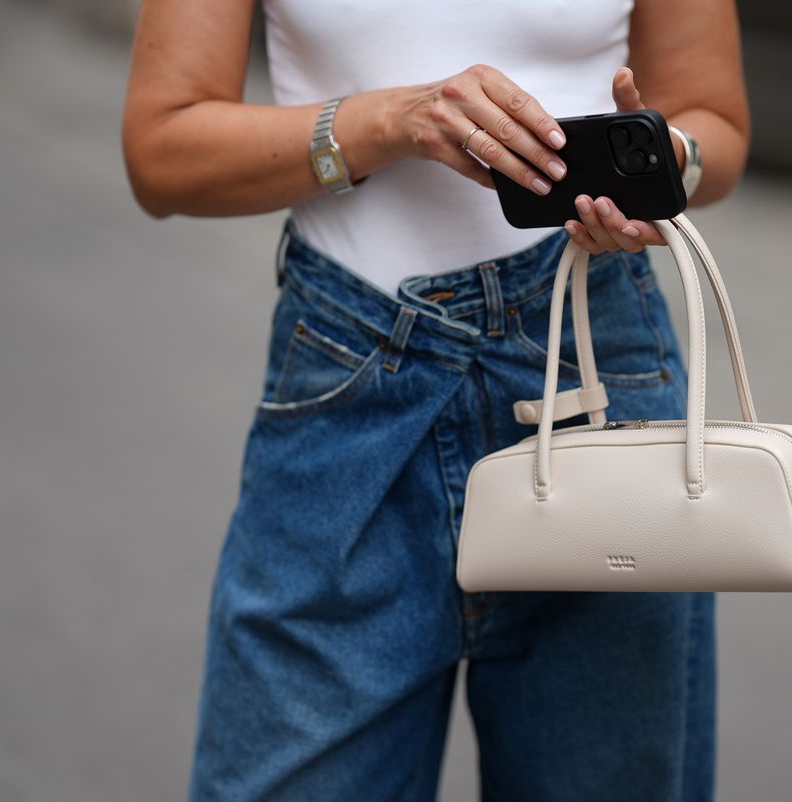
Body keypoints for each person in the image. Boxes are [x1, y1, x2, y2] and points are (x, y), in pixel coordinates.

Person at [122, 1, 749, 799]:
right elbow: (161, 152)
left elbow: (716, 126)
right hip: (351, 370)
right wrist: (390, 120)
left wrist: (663, 165)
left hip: (594, 365)